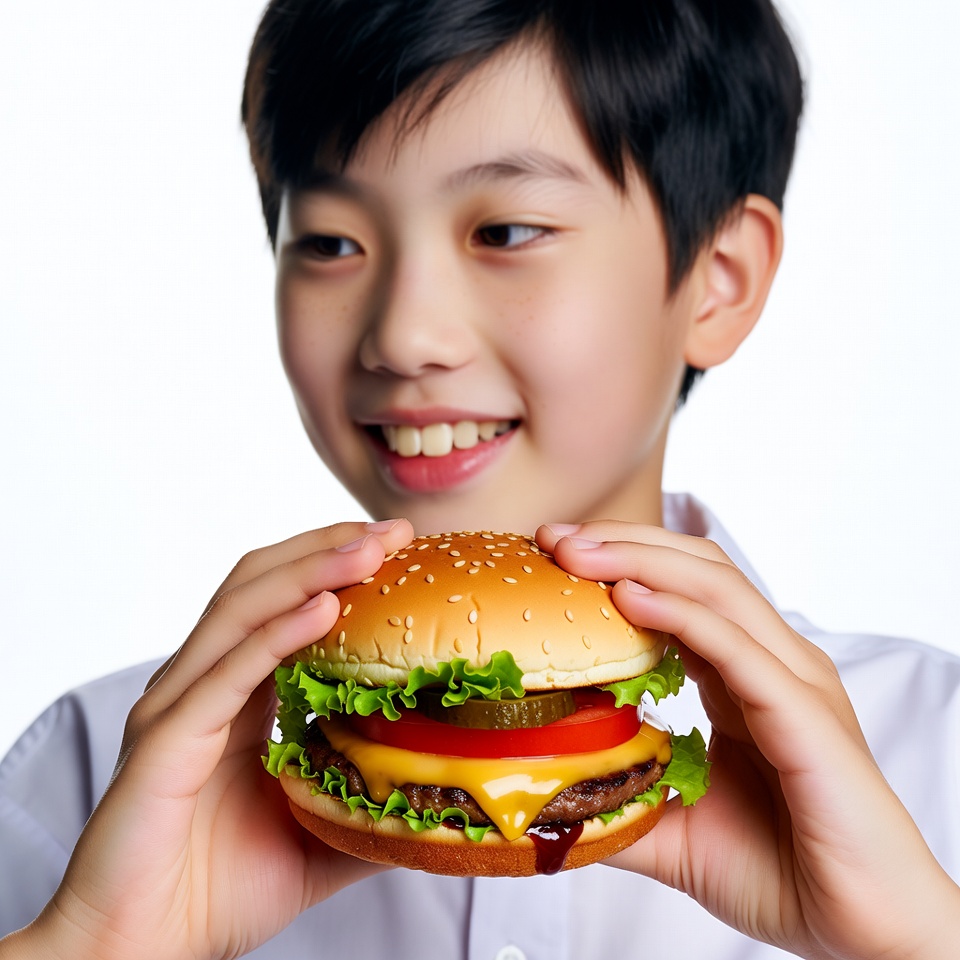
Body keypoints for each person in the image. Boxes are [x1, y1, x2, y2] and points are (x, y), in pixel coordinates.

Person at [2, 1, 959, 957]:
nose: (404, 337)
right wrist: (93, 944)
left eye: (504, 231)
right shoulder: (95, 776)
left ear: (718, 277)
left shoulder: (933, 752)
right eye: (331, 242)